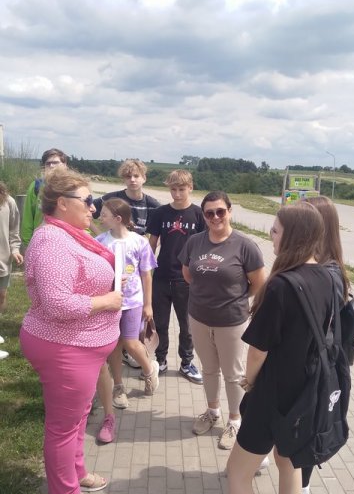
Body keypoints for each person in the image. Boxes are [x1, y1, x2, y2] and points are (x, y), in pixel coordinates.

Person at [227, 202, 333, 494]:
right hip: (307, 393)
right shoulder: (329, 277)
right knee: (290, 467)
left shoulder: (282, 285)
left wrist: (249, 381)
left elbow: (257, 352)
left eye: (275, 230)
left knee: (238, 474)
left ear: (293, 236)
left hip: (272, 395)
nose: (271, 236)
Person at [20, 169, 122, 494]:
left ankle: (75, 473)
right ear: (62, 203)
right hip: (63, 347)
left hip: (80, 347)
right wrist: (107, 301)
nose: (94, 208)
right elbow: (57, 303)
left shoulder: (70, 234)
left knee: (77, 418)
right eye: (88, 201)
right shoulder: (52, 241)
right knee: (63, 426)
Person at [262, 194, 350, 494]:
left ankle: (301, 491)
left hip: (313, 368)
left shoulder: (329, 272)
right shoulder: (322, 267)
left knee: (305, 430)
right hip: (304, 365)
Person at [179, 191, 266, 450]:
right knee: (208, 369)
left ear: (229, 211)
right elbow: (188, 274)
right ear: (204, 216)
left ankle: (235, 420)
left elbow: (258, 283)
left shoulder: (245, 245)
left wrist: (236, 299)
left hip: (231, 321)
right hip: (199, 317)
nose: (215, 217)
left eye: (220, 211)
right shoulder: (195, 242)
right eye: (209, 213)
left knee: (233, 374)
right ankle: (212, 411)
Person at [95, 198, 159, 441]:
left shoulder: (139, 242)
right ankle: (118, 386)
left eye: (104, 214)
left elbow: (147, 275)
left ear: (118, 218)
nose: (100, 218)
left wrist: (148, 304)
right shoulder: (100, 242)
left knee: (131, 342)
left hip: (133, 302)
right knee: (114, 345)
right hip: (109, 302)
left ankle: (149, 370)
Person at [92, 158, 160, 369]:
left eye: (136, 176)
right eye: (128, 176)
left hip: (136, 262)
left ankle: (138, 358)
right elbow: (89, 210)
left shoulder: (152, 204)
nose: (132, 180)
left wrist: (147, 245)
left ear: (144, 178)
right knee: (115, 336)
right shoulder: (112, 199)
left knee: (132, 331)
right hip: (113, 266)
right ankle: (118, 366)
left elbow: (157, 232)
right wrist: (100, 235)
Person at [149, 170, 204, 383]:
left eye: (182, 189)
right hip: (161, 277)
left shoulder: (198, 214)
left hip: (187, 279)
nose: (177, 194)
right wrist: (145, 271)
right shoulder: (160, 213)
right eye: (173, 189)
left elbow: (205, 245)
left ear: (190, 188)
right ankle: (160, 359)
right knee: (160, 323)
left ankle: (186, 363)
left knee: (187, 326)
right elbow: (152, 243)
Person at [20, 148, 68, 247]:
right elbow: (28, 217)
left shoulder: (72, 187)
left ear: (64, 165)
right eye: (48, 163)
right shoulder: (36, 186)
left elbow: (82, 216)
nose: (51, 166)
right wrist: (27, 244)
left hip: (67, 243)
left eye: (55, 162)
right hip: (40, 242)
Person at [0, 182, 24, 350]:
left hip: (2, 260)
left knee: (1, 296)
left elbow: (14, 230)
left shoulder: (8, 201)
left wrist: (15, 249)